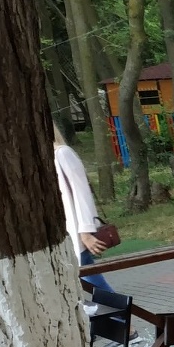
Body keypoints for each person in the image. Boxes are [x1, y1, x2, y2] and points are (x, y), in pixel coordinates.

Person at [54, 122, 113, 295]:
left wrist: (86, 232)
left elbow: (82, 194)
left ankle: (124, 322)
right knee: (87, 290)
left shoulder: (62, 153)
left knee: (97, 290)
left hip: (75, 235)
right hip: (60, 237)